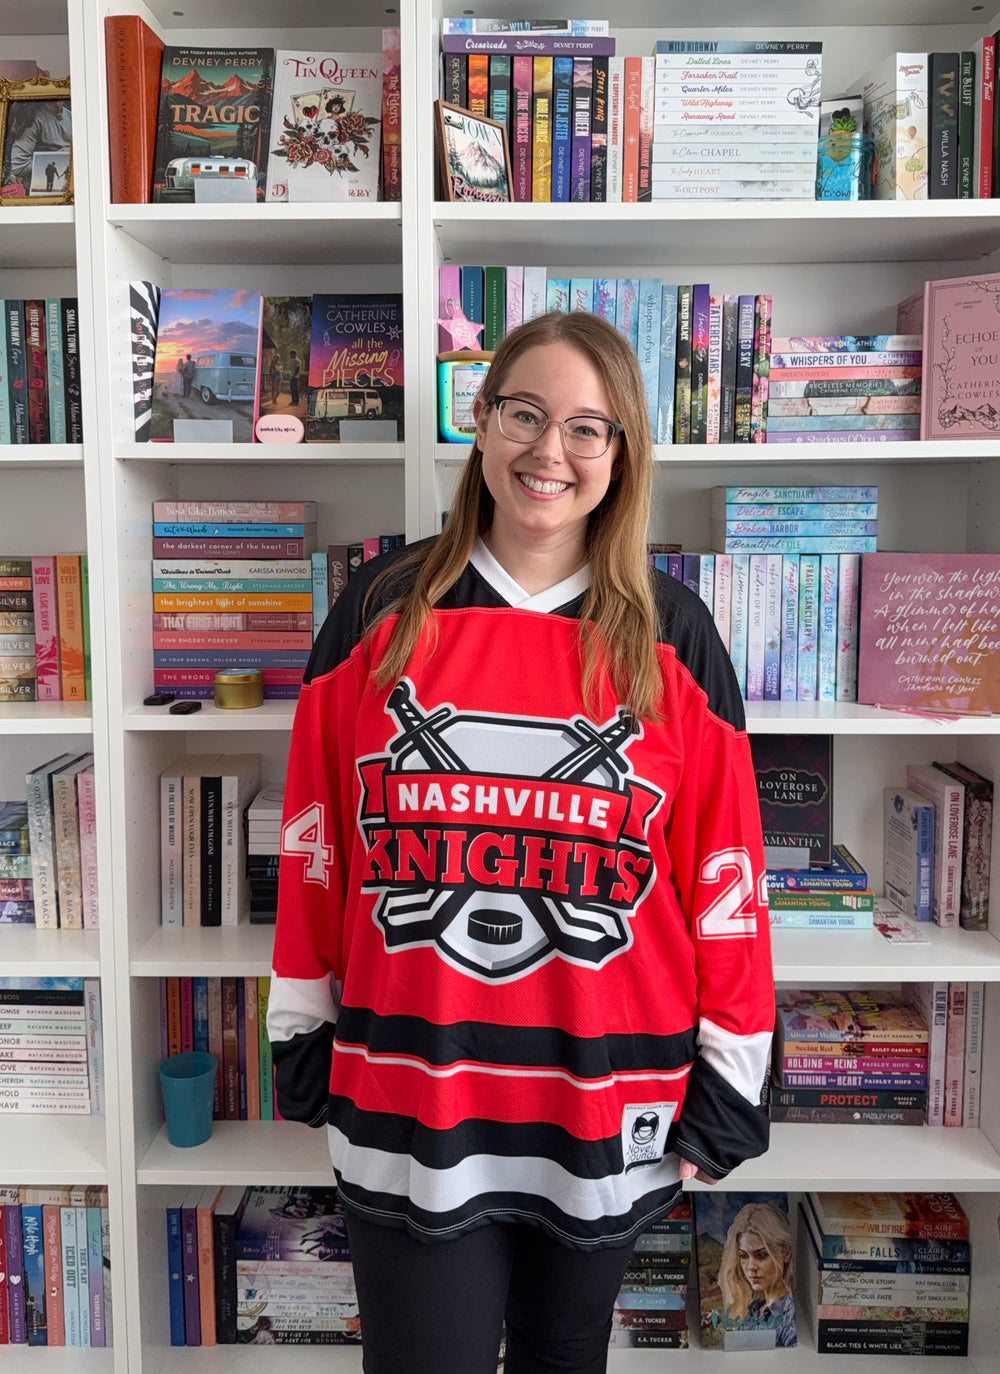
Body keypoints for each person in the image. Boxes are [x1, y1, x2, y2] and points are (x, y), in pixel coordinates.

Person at [267, 309, 774, 1374]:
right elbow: (317, 840)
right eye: (525, 414)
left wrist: (732, 1076)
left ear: (621, 452)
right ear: (483, 422)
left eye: (588, 428)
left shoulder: (675, 635)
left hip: (605, 1098)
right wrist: (300, 1021)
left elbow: (725, 876)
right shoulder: (379, 609)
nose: (551, 451)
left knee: (564, 1356)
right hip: (412, 1092)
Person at [717, 1201, 796, 1347]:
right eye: (743, 1256)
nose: (751, 1267)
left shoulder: (790, 1313)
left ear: (786, 1253)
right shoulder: (754, 1308)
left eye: (761, 1255)